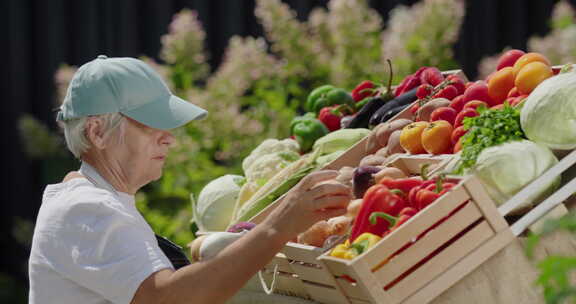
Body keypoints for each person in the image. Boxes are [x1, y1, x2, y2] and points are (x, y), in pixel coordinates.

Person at [28, 55, 352, 304]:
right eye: (150, 123)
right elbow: (168, 299)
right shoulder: (88, 208)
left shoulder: (91, 201)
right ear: (97, 132)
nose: (168, 137)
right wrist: (278, 226)